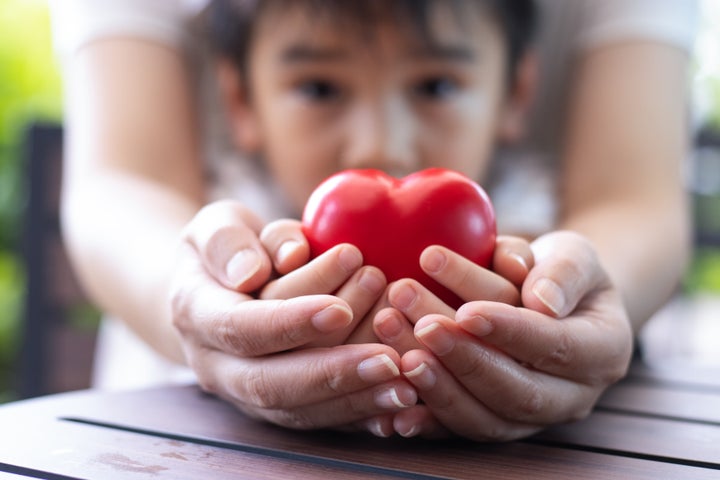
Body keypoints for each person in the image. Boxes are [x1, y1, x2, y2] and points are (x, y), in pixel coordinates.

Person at [48, 0, 697, 441]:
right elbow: (121, 184)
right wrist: (198, 304)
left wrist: (574, 302)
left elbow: (634, 198)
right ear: (239, 98)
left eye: (436, 86)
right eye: (320, 88)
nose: (380, 146)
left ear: (517, 93)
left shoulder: (524, 238)